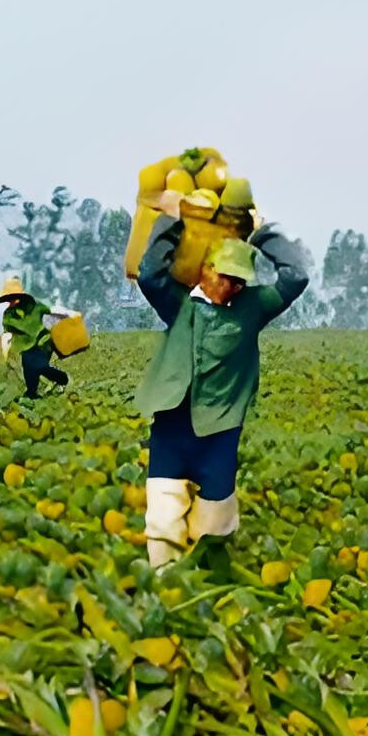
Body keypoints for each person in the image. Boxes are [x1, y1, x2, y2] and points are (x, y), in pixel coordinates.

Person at [133, 209, 311, 571]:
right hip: (172, 424)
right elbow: (150, 274)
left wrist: (262, 233)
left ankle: (209, 580)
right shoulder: (178, 303)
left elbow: (296, 276)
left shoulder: (253, 307)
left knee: (215, 523)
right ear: (206, 269)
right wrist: (173, 220)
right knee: (163, 517)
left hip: (220, 428)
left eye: (241, 281)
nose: (234, 287)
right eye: (228, 278)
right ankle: (166, 586)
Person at [0, 277, 80, 399]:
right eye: (10, 299)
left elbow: (52, 316)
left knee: (39, 366)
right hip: (24, 346)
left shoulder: (37, 307)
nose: (12, 301)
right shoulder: (8, 315)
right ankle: (32, 393)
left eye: (15, 297)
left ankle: (63, 378)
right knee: (29, 369)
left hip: (43, 342)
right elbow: (8, 331)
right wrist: (7, 350)